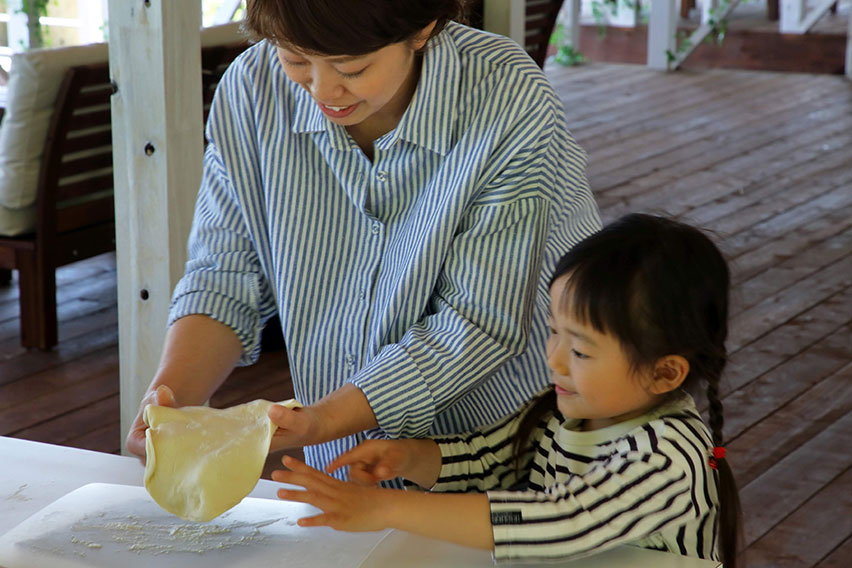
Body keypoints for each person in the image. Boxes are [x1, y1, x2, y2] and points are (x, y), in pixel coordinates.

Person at [125, 0, 601, 479]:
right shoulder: (252, 89)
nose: (324, 89)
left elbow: (477, 322)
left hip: (513, 451)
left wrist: (323, 419)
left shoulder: (504, 94)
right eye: (295, 60)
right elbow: (225, 275)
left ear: (422, 27)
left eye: (351, 67)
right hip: (344, 461)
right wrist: (171, 398)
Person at [272, 214, 743, 567]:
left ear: (664, 373)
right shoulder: (562, 413)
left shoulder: (669, 458)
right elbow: (486, 458)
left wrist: (388, 506)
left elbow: (563, 520)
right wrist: (409, 459)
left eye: (580, 351)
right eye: (554, 331)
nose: (554, 358)